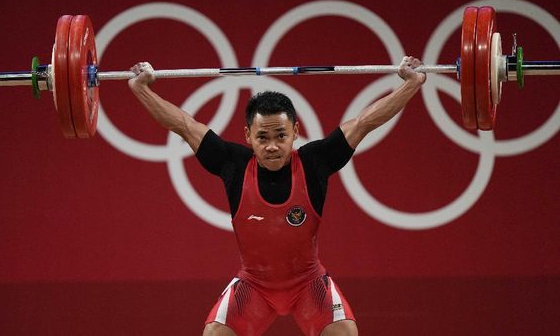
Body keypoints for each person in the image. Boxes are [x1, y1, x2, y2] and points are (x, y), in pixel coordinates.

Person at [128, 56, 426, 336]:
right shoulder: (232, 163)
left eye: (280, 136)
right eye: (263, 137)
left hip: (309, 284)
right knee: (215, 334)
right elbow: (181, 124)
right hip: (254, 285)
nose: (272, 146)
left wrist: (411, 84)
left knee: (344, 332)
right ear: (248, 135)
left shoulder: (314, 162)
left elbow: (365, 122)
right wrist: (140, 89)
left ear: (296, 131)